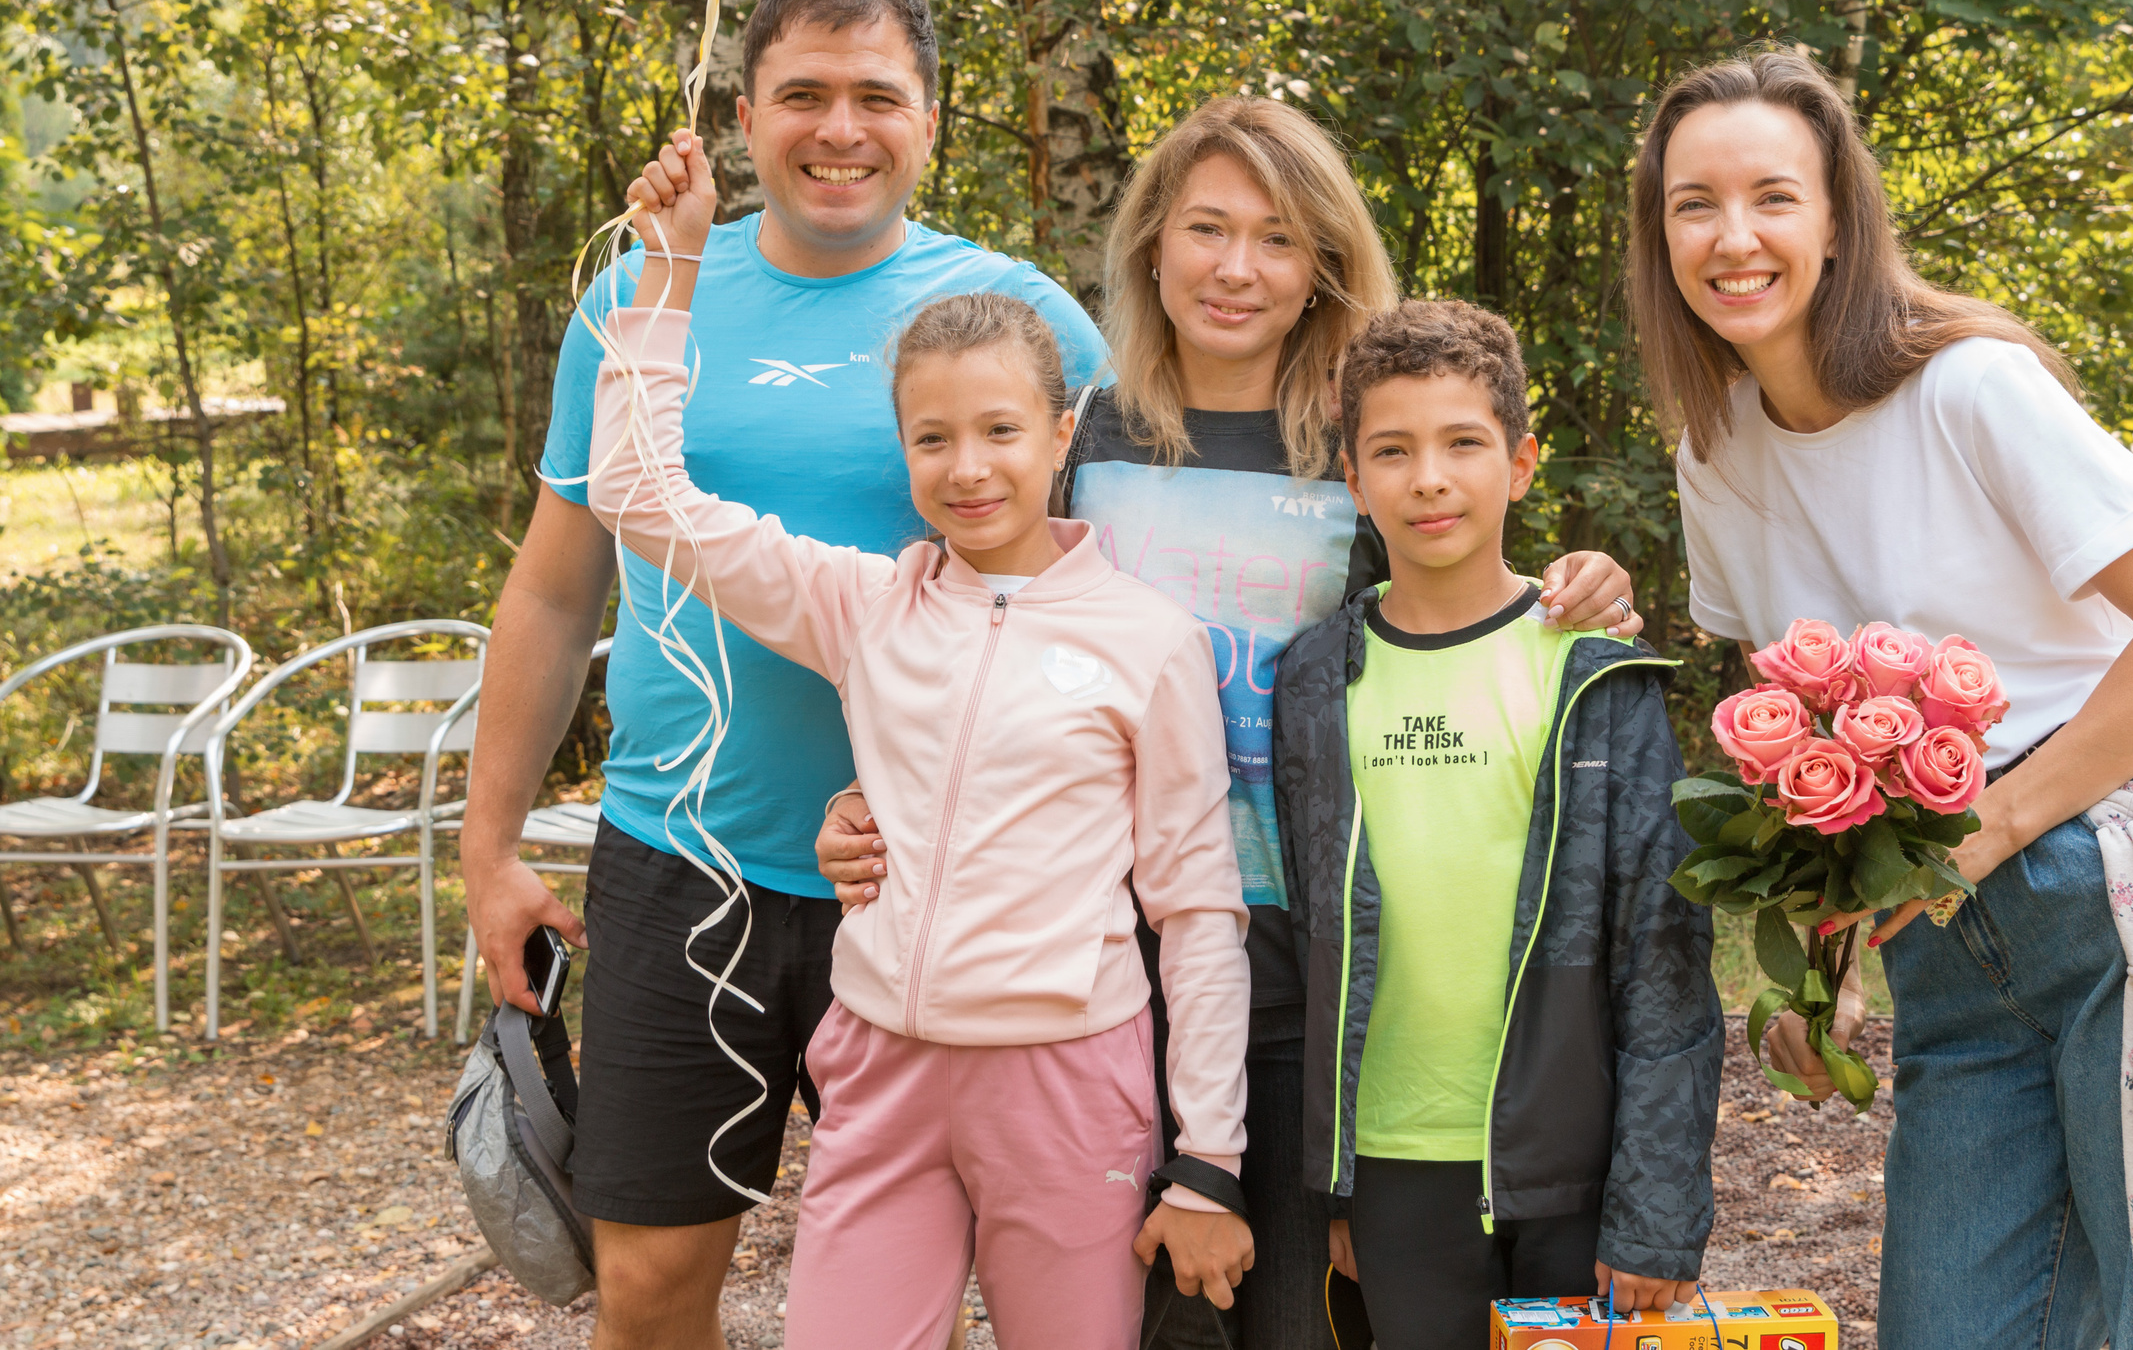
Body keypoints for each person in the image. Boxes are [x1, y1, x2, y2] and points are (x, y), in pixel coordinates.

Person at [819, 97, 1647, 1349]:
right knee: (1123, 1314)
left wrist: (1587, 584)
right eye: (1207, 228)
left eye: (1276, 236)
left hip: (1306, 950)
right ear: (1154, 243)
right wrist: (869, 804)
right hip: (1089, 960)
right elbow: (948, 653)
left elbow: (1461, 613)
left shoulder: (1359, 444)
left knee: (1287, 1310)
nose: (1236, 267)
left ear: (1319, 265)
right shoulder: (1071, 434)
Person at [1623, 50, 2133, 1349]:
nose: (1732, 236)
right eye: (1692, 203)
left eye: (1772, 195)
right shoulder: (1715, 446)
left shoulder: (1968, 387)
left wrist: (1990, 826)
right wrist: (1824, 955)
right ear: (1658, 231)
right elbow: (1818, 745)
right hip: (1952, 952)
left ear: (1837, 219)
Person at [458, 0, 1108, 1350]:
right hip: (684, 857)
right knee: (645, 1286)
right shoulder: (638, 298)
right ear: (744, 115)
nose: (840, 128)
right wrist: (489, 845)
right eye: (802, 94)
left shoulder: (1024, 318)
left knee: (948, 1288)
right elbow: (555, 593)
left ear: (932, 119)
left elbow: (1114, 595)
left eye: (878, 96)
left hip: (949, 869)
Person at [589, 186, 1254, 1347]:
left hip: (1067, 1083)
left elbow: (1198, 911)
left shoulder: (1150, 640)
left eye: (1000, 430)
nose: (967, 468)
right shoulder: (864, 605)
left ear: (1062, 432)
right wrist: (671, 272)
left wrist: (1210, 1157)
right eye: (931, 438)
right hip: (881, 1074)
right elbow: (638, 495)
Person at [1270, 299, 1722, 1350]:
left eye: (1462, 444)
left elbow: (1664, 959)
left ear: (1519, 464)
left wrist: (1653, 1212)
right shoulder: (1313, 680)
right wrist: (1337, 1181)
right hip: (1390, 1161)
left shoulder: (1597, 675)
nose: (1428, 477)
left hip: (1575, 1161)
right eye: (1392, 449)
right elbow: (1305, 936)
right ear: (1352, 480)